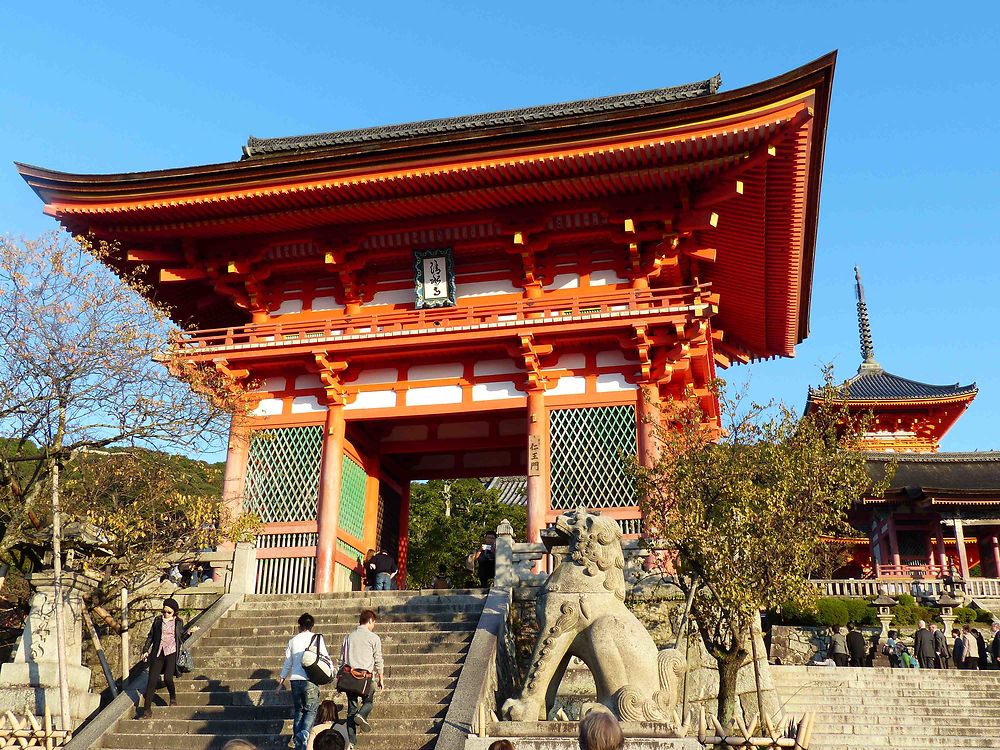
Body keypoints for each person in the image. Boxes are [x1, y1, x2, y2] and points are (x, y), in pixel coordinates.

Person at [276, 613, 329, 750]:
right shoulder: (316, 638)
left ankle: (297, 740)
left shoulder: (293, 641)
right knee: (311, 710)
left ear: (299, 626)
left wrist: (281, 681)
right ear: (312, 626)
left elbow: (288, 663)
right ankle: (304, 734)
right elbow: (324, 657)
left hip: (295, 680)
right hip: (310, 680)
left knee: (299, 711)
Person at [139, 597, 198, 718]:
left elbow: (180, 638)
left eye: (169, 612)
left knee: (168, 678)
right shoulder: (158, 621)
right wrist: (145, 650)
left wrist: (189, 633)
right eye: (164, 611)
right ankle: (147, 710)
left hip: (171, 652)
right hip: (157, 652)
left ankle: (173, 697)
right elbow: (151, 636)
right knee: (152, 681)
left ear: (174, 612)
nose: (166, 614)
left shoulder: (178, 622)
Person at [338, 610, 385, 745]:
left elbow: (341, 659)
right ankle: (362, 714)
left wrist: (338, 676)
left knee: (351, 710)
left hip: (349, 678)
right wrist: (381, 677)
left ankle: (351, 742)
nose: (374, 625)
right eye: (374, 622)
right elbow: (378, 659)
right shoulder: (373, 638)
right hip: (366, 679)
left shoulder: (347, 637)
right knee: (368, 702)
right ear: (370, 620)